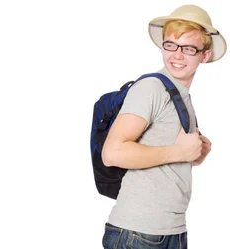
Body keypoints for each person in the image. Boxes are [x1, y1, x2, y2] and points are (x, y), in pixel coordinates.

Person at [101, 4, 225, 248]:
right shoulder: (151, 88)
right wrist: (179, 152)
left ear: (205, 55)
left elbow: (165, 152)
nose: (177, 55)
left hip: (171, 231)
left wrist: (194, 154)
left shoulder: (181, 95)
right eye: (170, 45)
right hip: (138, 233)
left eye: (189, 48)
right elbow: (112, 153)